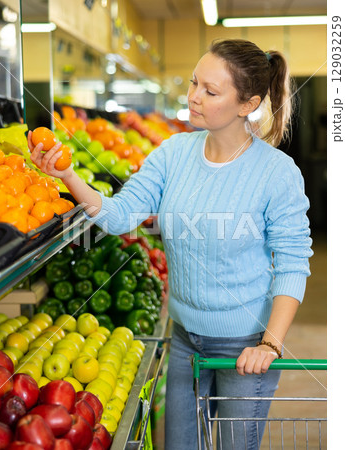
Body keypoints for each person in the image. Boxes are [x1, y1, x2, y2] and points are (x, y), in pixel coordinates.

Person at [29, 39, 313, 450]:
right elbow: (119, 216)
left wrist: (270, 342)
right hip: (184, 340)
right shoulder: (172, 153)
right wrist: (68, 176)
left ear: (247, 104)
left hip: (248, 343)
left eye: (210, 91)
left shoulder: (277, 173)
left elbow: (292, 262)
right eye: (195, 82)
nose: (193, 97)